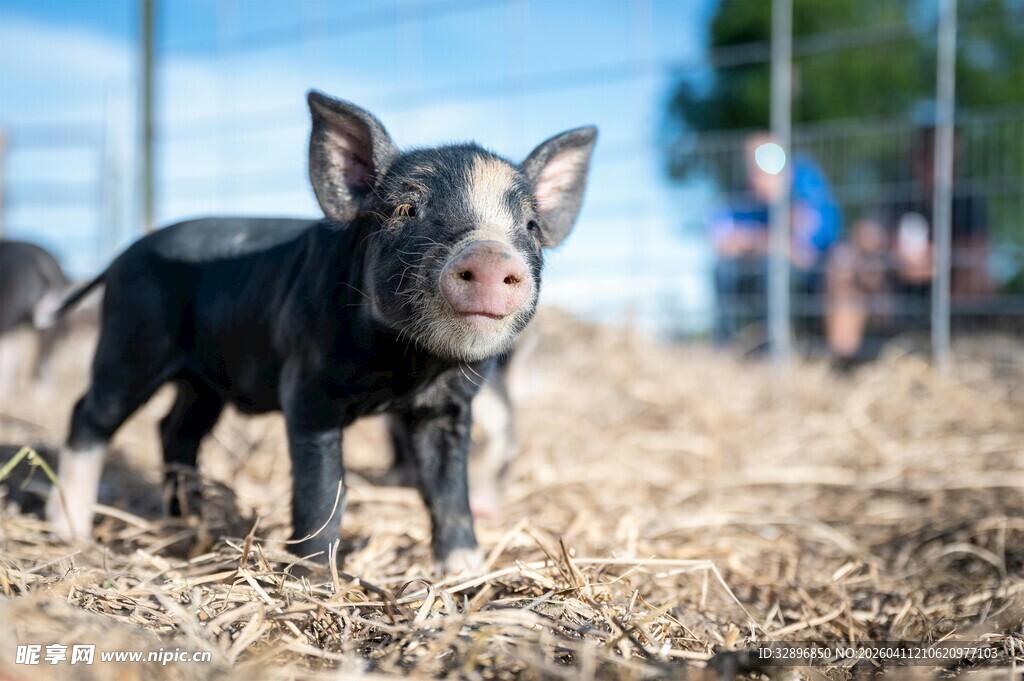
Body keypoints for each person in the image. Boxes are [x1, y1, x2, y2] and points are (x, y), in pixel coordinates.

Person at [825, 127, 992, 366]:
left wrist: (937, 258)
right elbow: (864, 233)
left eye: (952, 158)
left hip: (949, 284)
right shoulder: (896, 194)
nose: (943, 165)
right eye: (932, 155)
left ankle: (961, 354)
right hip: (895, 285)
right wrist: (892, 252)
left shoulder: (968, 200)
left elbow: (978, 250)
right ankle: (844, 364)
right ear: (916, 157)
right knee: (844, 263)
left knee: (979, 276)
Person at [709, 133, 841, 344]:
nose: (755, 175)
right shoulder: (741, 194)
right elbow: (722, 239)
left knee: (772, 268)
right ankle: (727, 347)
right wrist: (769, 239)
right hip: (757, 266)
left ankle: (776, 346)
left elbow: (804, 251)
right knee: (723, 270)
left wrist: (756, 237)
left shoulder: (804, 179)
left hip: (809, 271)